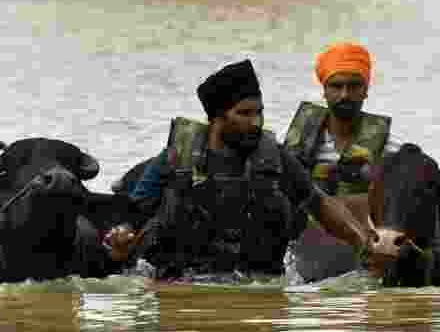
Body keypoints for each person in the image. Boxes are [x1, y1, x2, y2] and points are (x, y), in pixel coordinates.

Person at [106, 59, 397, 279]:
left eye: (259, 112)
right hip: (181, 284)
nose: (256, 122)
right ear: (217, 118)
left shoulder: (274, 157)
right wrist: (121, 236)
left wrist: (362, 243)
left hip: (258, 283)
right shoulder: (175, 156)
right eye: (244, 113)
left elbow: (321, 205)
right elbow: (133, 210)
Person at [281, 42, 400, 196]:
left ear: (365, 90)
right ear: (324, 91)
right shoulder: (289, 141)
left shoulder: (391, 148)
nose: (344, 95)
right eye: (336, 86)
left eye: (354, 86)